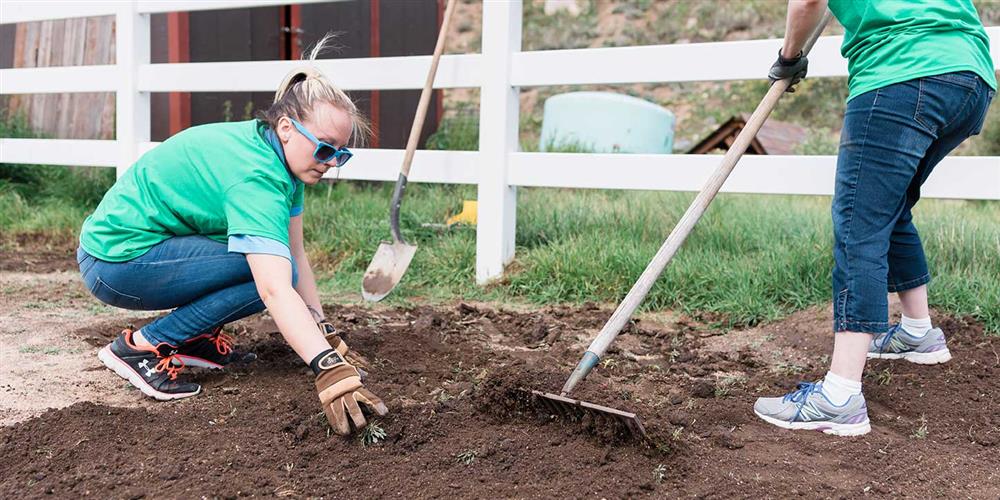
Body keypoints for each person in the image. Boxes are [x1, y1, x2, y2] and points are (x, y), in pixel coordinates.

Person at [77, 35, 387, 436]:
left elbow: (297, 251)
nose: (331, 163)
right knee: (270, 276)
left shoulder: (280, 160)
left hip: (142, 252)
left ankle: (193, 340)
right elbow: (276, 288)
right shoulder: (255, 177)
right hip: (116, 262)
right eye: (325, 149)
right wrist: (326, 367)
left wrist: (322, 330)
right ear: (287, 128)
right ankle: (143, 347)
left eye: (341, 154)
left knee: (280, 265)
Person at [755, 0, 995, 436]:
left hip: (901, 73)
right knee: (890, 205)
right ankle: (918, 332)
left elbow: (807, 2)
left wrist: (789, 57)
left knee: (858, 224)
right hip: (969, 78)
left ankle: (840, 396)